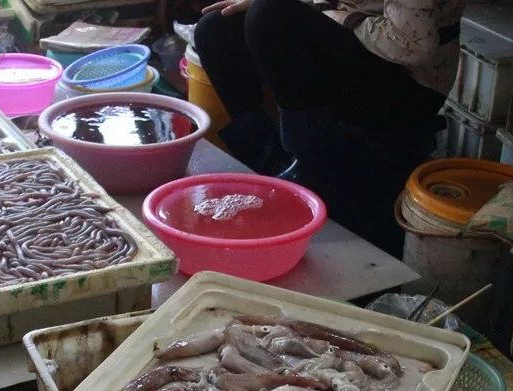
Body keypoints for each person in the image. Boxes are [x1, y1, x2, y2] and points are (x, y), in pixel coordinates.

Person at [194, 0, 466, 256]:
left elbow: (410, 45)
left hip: (409, 80)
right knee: (217, 28)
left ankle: (307, 169)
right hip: (357, 41)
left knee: (271, 16)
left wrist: (331, 15)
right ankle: (270, 160)